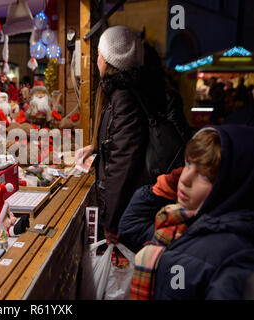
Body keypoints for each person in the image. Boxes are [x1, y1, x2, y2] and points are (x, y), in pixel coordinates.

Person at [119, 125, 254, 299]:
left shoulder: (236, 258)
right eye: (189, 164)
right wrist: (161, 187)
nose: (185, 179)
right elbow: (131, 227)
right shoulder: (182, 224)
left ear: (231, 186)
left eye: (204, 176)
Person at [75, 26, 148, 244]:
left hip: (125, 207)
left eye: (98, 54)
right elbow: (118, 137)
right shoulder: (121, 91)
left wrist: (110, 220)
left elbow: (124, 159)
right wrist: (95, 147)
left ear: (108, 59)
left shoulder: (123, 96)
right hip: (126, 202)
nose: (97, 60)